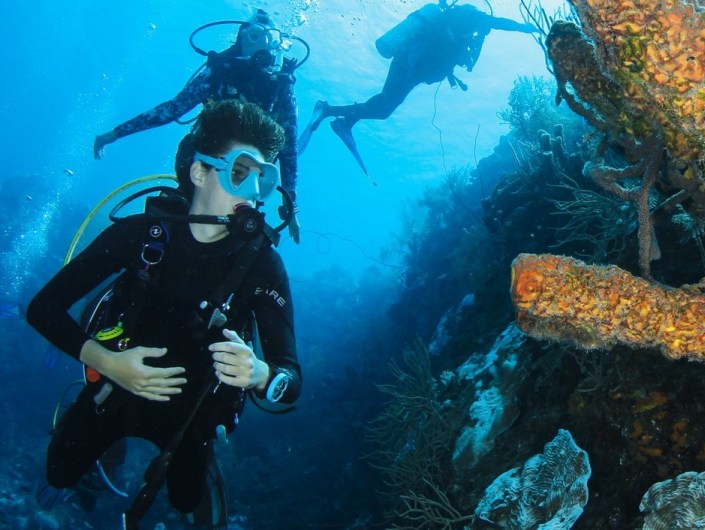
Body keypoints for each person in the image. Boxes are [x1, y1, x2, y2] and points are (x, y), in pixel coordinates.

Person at [28, 99, 301, 527]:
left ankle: (201, 467)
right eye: (240, 173)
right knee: (58, 472)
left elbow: (291, 379)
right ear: (199, 171)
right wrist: (108, 364)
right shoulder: (139, 235)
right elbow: (42, 309)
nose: (251, 194)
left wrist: (261, 375)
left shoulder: (262, 265)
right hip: (112, 388)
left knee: (185, 498)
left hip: (190, 417)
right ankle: (102, 456)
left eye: (262, 180)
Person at [93, 9, 303, 243]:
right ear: (241, 38)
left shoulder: (282, 84)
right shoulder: (219, 71)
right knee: (174, 217)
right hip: (202, 163)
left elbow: (289, 147)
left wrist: (290, 205)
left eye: (271, 37)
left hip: (246, 174)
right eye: (255, 35)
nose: (264, 43)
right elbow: (173, 109)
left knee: (239, 233)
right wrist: (114, 134)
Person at [297, 0, 539, 174]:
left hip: (410, 66)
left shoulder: (460, 23)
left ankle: (345, 121)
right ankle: (328, 110)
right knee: (384, 108)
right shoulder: (472, 17)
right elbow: (499, 22)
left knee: (384, 104)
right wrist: (528, 27)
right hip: (410, 65)